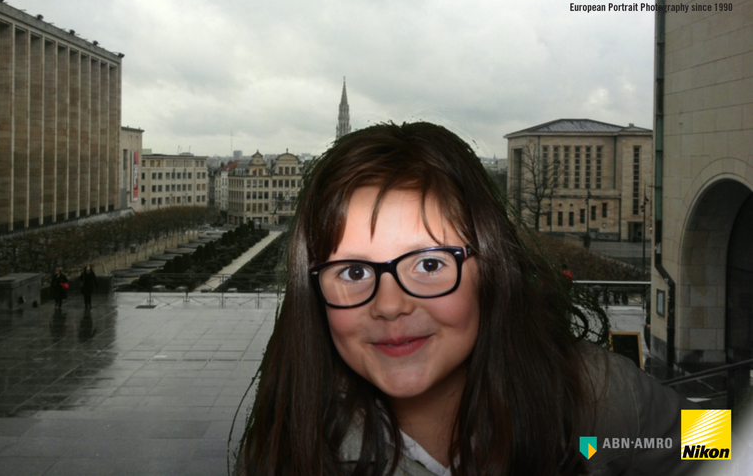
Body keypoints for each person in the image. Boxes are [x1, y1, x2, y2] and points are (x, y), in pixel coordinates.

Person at [236, 122, 697, 476]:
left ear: (490, 269)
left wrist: (606, 445)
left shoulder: (599, 397)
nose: (390, 305)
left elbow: (720, 446)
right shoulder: (285, 452)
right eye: (354, 272)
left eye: (429, 264)